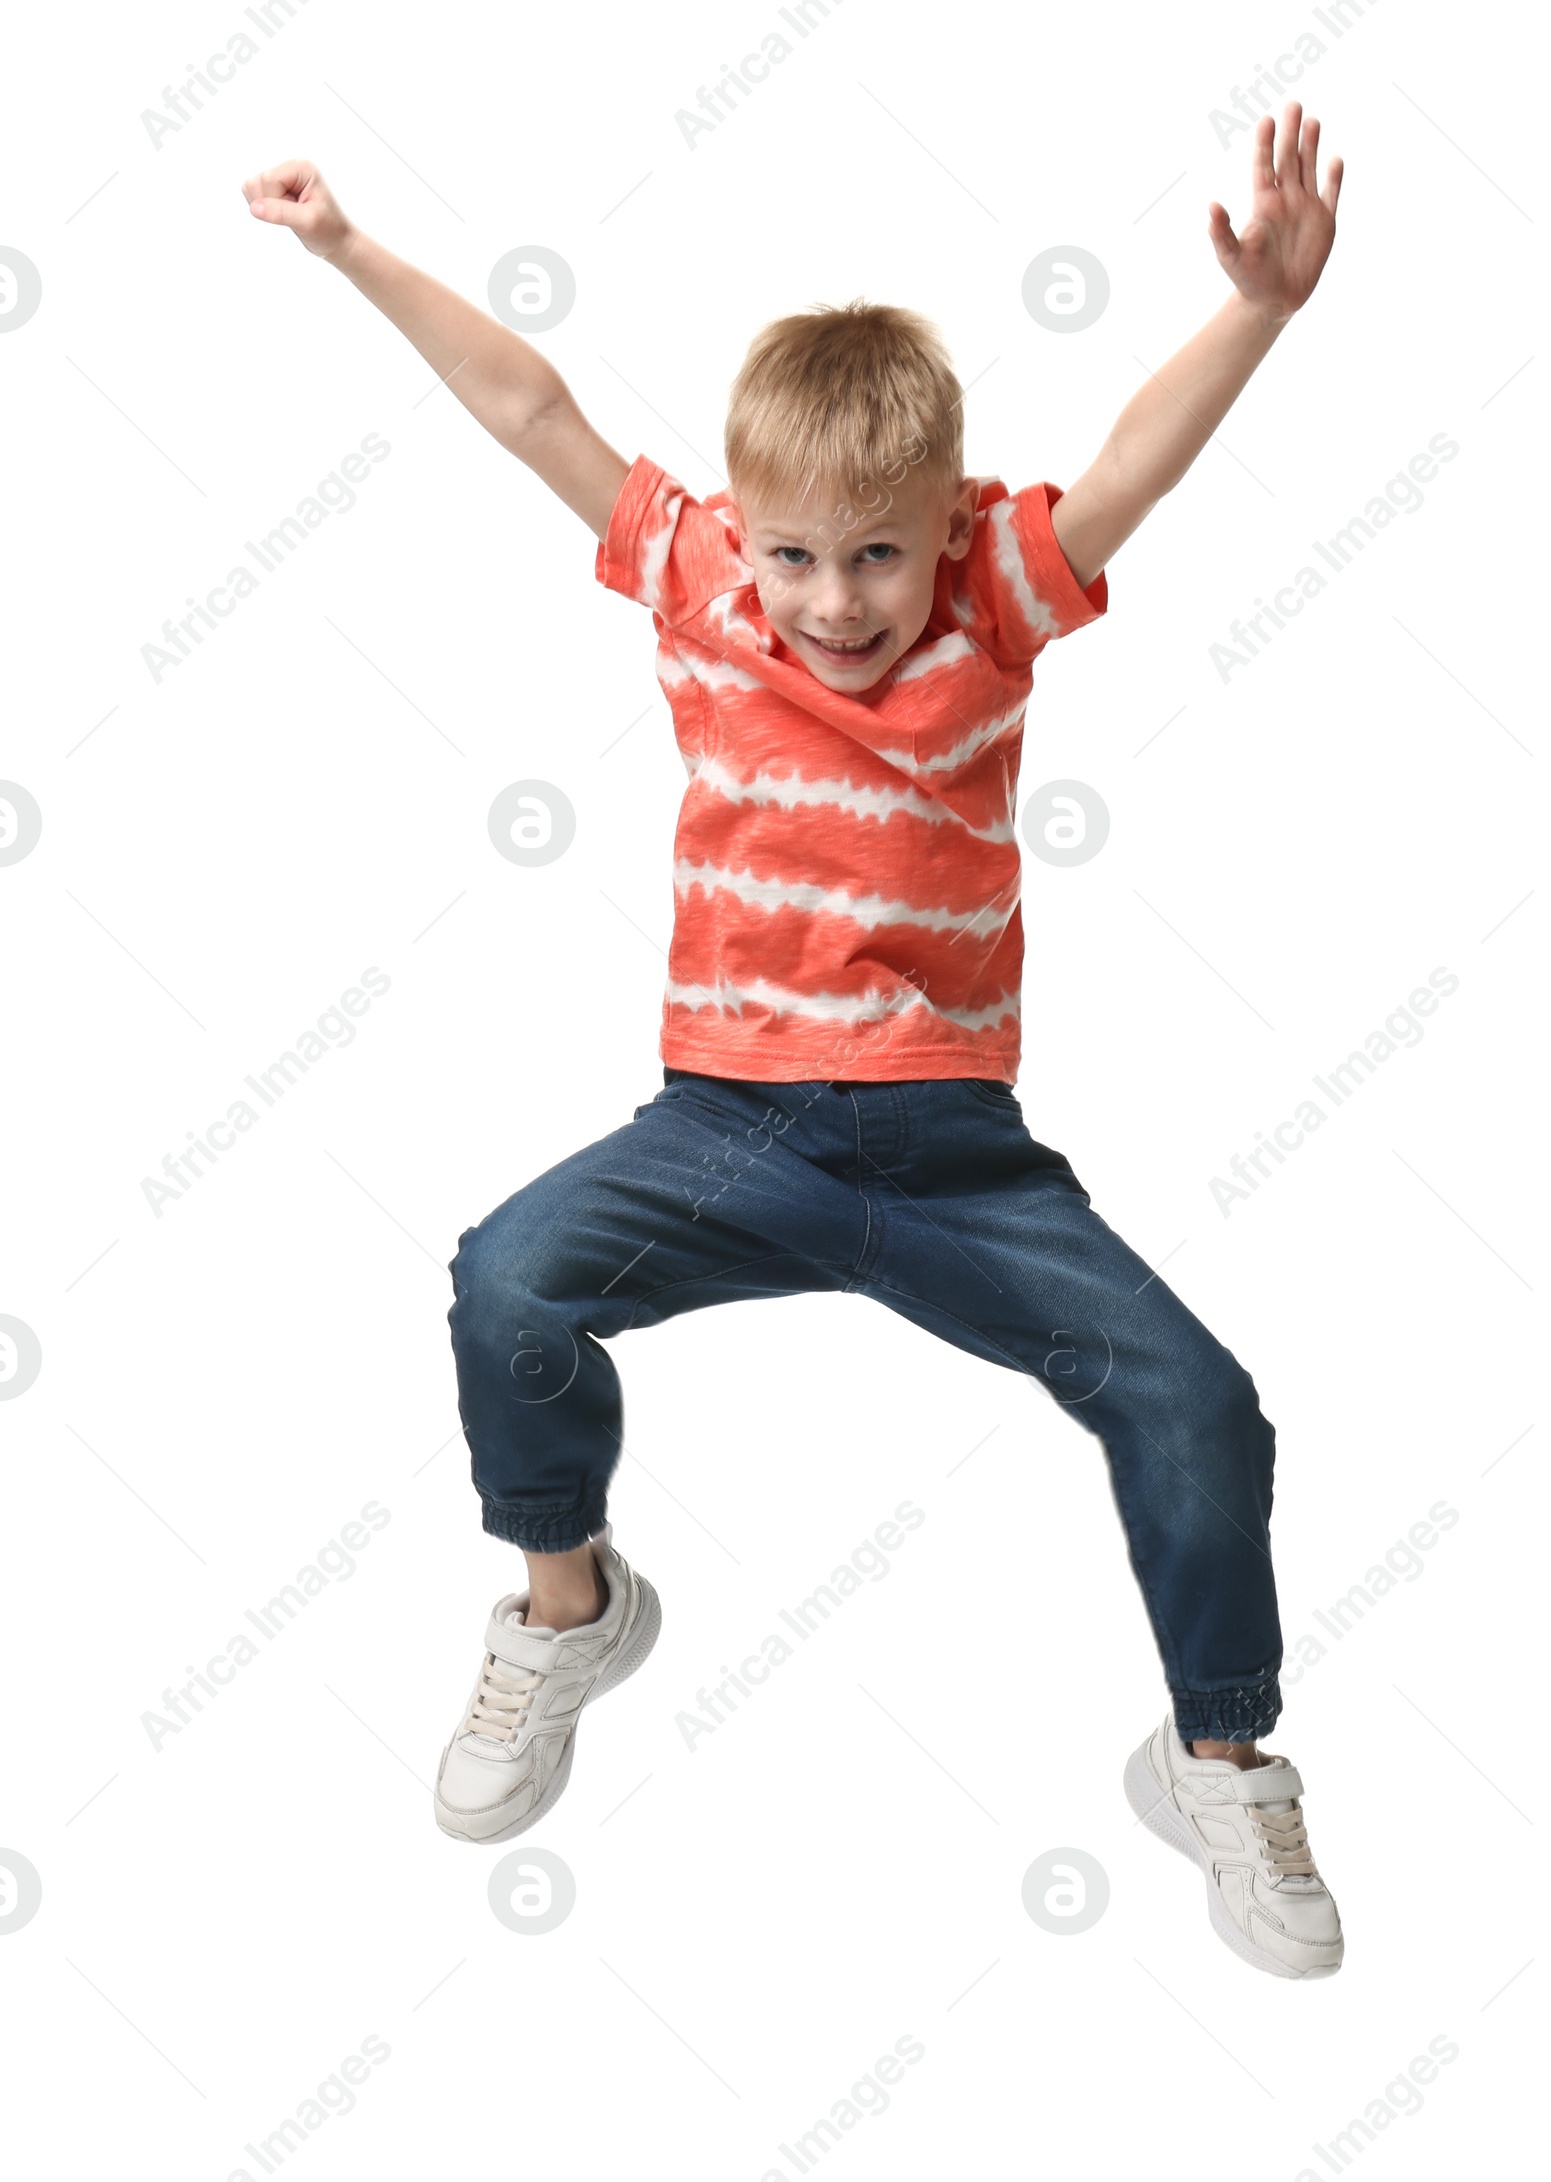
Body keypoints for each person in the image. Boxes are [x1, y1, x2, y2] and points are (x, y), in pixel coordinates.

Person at [244, 103, 1346, 1978]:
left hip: (951, 1156)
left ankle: (1221, 1753)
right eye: (797, 558)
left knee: (1197, 1403)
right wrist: (354, 251)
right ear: (740, 538)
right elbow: (530, 409)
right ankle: (568, 1608)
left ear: (946, 533)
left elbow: (1126, 474)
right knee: (508, 1281)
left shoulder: (995, 604)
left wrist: (1261, 313)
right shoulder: (694, 580)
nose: (834, 603)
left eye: (877, 559)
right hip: (727, 1135)